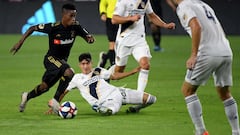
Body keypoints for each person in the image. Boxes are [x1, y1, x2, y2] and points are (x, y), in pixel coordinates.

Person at [169, 0, 240, 135]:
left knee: (187, 90)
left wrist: (194, 54)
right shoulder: (202, 4)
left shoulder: (184, 6)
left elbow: (196, 26)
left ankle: (201, 132)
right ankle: (236, 132)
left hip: (207, 53)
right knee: (225, 94)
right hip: (225, 50)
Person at [10, 3, 95, 113]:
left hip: (61, 63)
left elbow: (87, 36)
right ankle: (55, 101)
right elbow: (32, 28)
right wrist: (20, 42)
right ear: (63, 15)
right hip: (50, 59)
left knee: (44, 87)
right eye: (71, 16)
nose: (73, 18)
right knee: (69, 72)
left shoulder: (76, 27)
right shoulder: (53, 28)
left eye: (75, 16)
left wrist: (90, 39)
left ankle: (26, 96)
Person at [58, 53, 157, 115]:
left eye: (87, 63)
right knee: (110, 111)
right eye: (83, 64)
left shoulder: (98, 70)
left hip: (118, 92)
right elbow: (64, 91)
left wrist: (133, 71)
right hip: (106, 100)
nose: (85, 66)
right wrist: (56, 105)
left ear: (91, 63)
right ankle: (101, 108)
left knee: (151, 99)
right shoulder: (76, 78)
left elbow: (114, 77)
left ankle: (135, 109)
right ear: (79, 65)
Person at [111, 0, 175, 92]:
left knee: (145, 64)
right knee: (117, 74)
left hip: (139, 40)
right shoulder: (123, 1)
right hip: (124, 40)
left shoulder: (145, 1)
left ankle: (140, 94)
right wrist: (130, 19)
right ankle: (106, 75)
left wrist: (165, 25)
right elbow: (114, 19)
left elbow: (152, 16)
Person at [98, 0, 118, 68]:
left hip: (122, 19)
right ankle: (113, 64)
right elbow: (103, 3)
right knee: (112, 43)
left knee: (118, 44)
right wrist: (103, 13)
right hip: (110, 19)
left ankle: (105, 57)